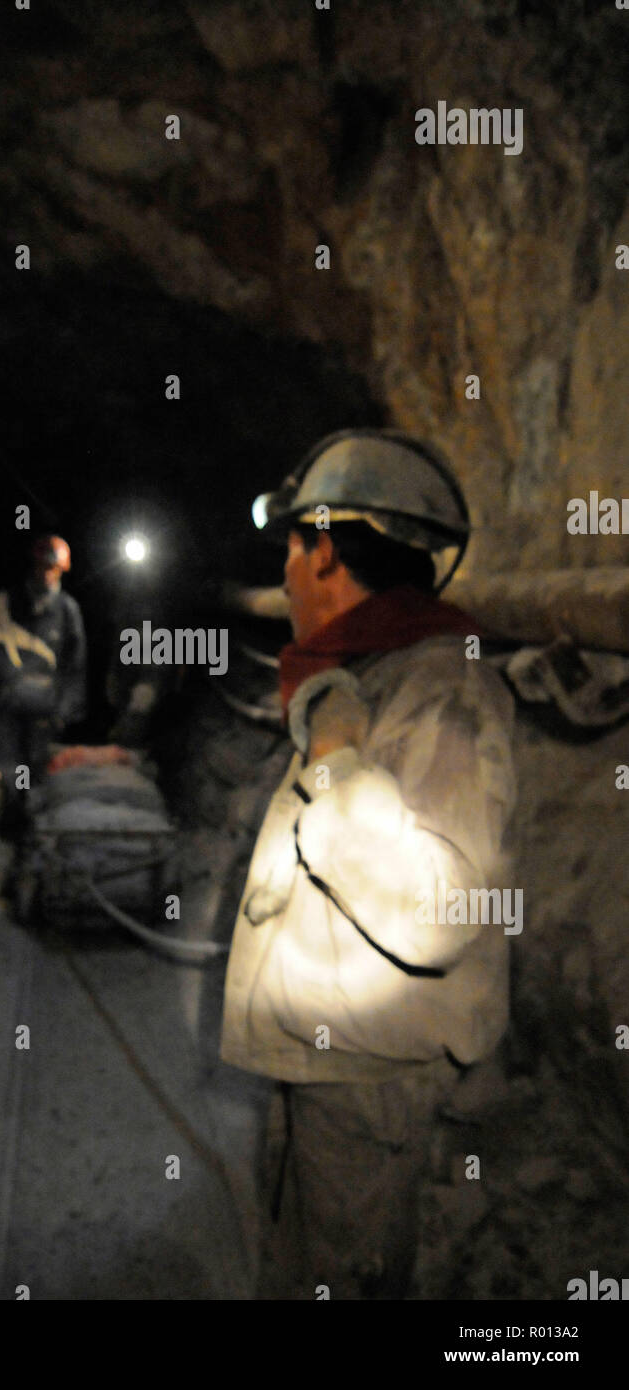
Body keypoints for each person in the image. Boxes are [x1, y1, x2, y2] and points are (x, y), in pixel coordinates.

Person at [220, 428, 518, 1298]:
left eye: (291, 548)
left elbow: (437, 913)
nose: (282, 575)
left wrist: (340, 759)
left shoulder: (443, 690)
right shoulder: (368, 673)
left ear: (325, 551)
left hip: (372, 1083)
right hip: (329, 1058)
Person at [0, 534, 87, 835]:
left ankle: (28, 822)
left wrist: (68, 707)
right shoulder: (6, 603)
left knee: (33, 768)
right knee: (9, 765)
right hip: (6, 701)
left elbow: (75, 663)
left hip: (43, 704)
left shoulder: (67, 611)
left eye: (53, 569)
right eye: (43, 567)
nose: (47, 574)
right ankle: (11, 819)